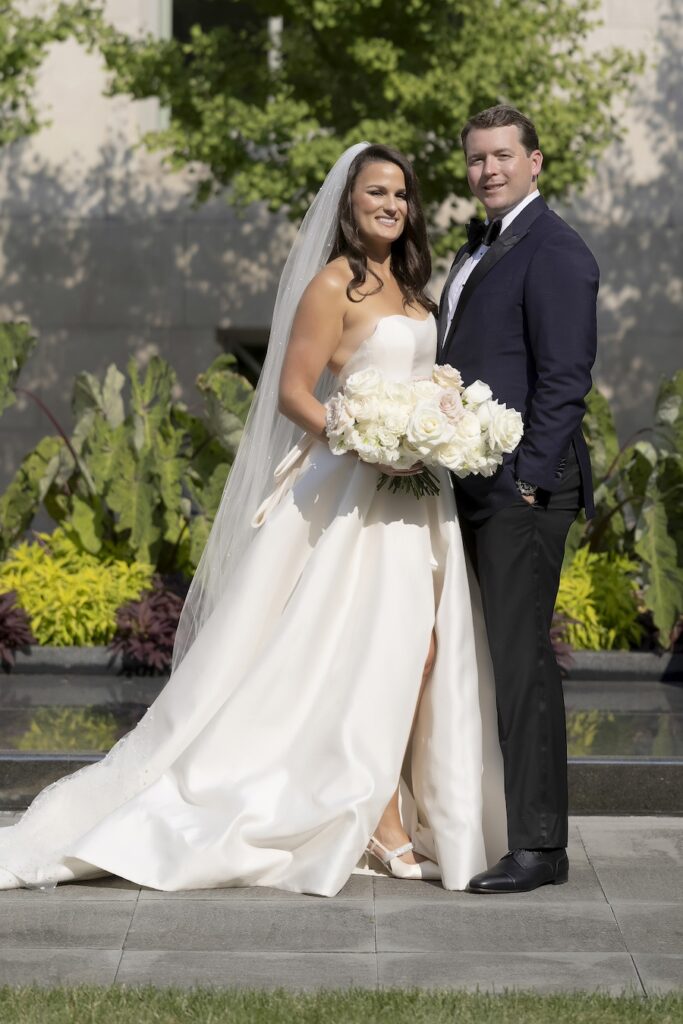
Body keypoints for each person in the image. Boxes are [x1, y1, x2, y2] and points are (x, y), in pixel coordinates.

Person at [0, 143, 507, 897]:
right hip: (353, 492)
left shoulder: (409, 284)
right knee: (379, 647)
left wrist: (436, 425)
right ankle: (377, 816)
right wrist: (361, 436)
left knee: (420, 651)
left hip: (417, 497)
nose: (391, 205)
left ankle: (385, 804)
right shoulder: (332, 283)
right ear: (348, 203)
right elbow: (293, 392)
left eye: (401, 194)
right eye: (376, 192)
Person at [437, 106, 599, 893]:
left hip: (523, 489)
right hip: (468, 481)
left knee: (521, 660)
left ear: (535, 162)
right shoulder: (478, 247)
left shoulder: (557, 251)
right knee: (484, 657)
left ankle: (539, 847)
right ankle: (488, 820)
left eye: (502, 156)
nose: (488, 169)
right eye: (475, 159)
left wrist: (529, 474)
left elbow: (565, 376)